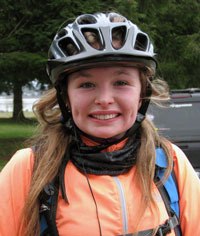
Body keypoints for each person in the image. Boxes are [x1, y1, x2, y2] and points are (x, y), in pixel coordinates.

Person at [0, 12, 200, 236]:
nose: (104, 99)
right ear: (66, 96)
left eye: (121, 82)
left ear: (142, 93)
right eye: (86, 84)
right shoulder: (28, 169)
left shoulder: (170, 164)